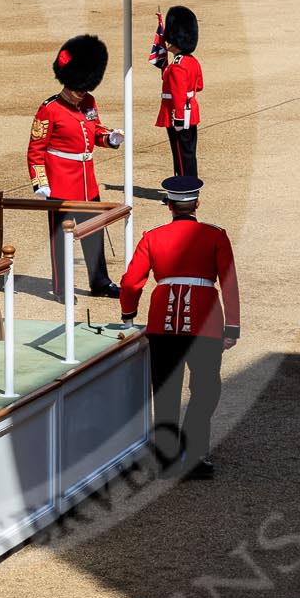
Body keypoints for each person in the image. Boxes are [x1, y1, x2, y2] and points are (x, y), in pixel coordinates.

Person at [118, 176, 241, 479]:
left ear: (169, 205)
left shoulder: (153, 235)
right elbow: (228, 282)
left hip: (162, 322)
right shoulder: (215, 235)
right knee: (206, 390)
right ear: (196, 203)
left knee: (166, 392)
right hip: (206, 322)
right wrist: (232, 326)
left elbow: (132, 282)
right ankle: (194, 451)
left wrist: (129, 313)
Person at [26, 34, 123, 301]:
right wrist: (41, 183)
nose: (82, 92)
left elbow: (93, 132)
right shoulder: (50, 109)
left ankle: (100, 282)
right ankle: (62, 287)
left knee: (94, 234)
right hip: (61, 184)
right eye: (78, 87)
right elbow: (35, 151)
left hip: (86, 181)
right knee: (62, 241)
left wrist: (109, 138)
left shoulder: (88, 102)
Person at [152, 5, 203, 178]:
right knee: (188, 153)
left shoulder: (178, 66)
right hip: (191, 112)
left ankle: (184, 191)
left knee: (181, 155)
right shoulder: (191, 61)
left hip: (177, 115)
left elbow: (178, 95)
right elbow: (199, 86)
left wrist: (179, 118)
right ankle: (188, 188)